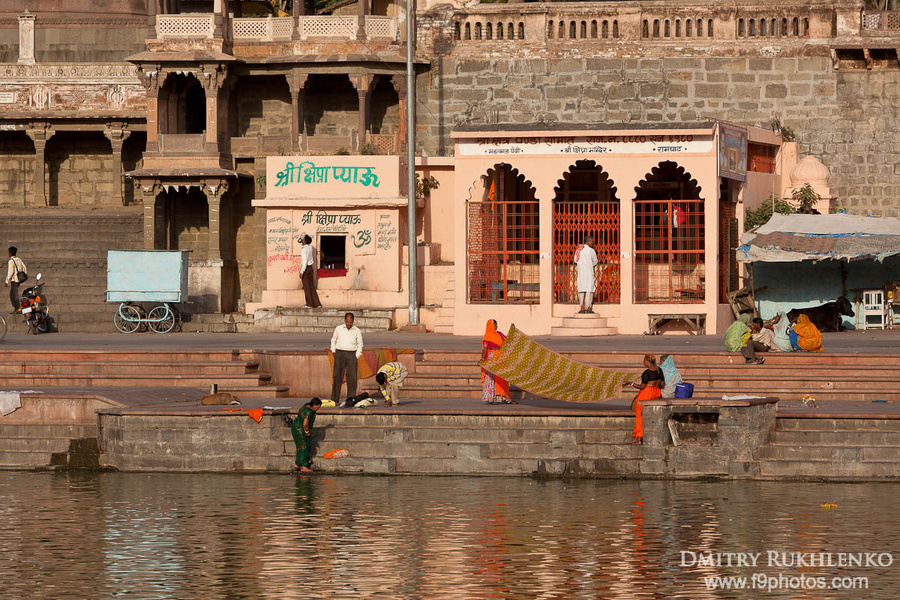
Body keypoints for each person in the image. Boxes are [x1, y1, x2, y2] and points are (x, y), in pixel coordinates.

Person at [629, 354, 664, 444]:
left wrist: (632, 383)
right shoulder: (659, 370)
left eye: (644, 360)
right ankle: (638, 437)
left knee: (640, 416)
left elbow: (642, 387)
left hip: (646, 394)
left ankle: (638, 438)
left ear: (648, 362)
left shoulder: (646, 373)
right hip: (656, 393)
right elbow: (662, 384)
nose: (643, 362)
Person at [330, 312, 363, 402]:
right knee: (337, 376)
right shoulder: (339, 328)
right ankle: (335, 400)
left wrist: (356, 356)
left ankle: (350, 400)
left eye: (350, 322)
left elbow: (360, 344)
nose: (349, 324)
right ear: (345, 320)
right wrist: (334, 351)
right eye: (347, 322)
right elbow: (333, 340)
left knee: (352, 378)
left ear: (353, 321)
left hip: (351, 354)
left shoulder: (357, 330)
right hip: (339, 353)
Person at [284, 398, 322, 473]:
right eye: (317, 407)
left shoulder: (306, 406)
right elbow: (305, 424)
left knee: (301, 446)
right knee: (304, 446)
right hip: (301, 429)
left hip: (296, 427)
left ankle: (299, 464)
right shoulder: (309, 411)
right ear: (314, 405)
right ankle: (303, 466)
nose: (317, 409)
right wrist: (307, 432)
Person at [481, 319, 514, 404]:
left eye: (496, 325)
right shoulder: (487, 336)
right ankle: (493, 399)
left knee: (502, 377)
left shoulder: (499, 334)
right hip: (492, 357)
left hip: (500, 357)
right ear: (491, 326)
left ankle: (505, 398)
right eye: (495, 325)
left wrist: (513, 332)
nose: (497, 326)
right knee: (492, 378)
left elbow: (508, 342)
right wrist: (482, 358)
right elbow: (485, 348)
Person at [574, 235, 599, 313]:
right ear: (588, 242)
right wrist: (590, 264)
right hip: (589, 273)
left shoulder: (578, 250)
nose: (593, 243)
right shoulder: (591, 251)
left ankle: (581, 308)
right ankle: (588, 308)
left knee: (581, 290)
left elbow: (575, 260)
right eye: (592, 241)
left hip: (581, 273)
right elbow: (595, 261)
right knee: (589, 290)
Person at [299, 235, 322, 308]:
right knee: (312, 286)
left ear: (305, 241)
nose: (302, 240)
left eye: (303, 239)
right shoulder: (310, 248)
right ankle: (316, 303)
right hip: (311, 268)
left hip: (306, 268)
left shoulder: (304, 249)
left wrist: (302, 271)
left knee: (307, 287)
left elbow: (305, 261)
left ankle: (309, 304)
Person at [4, 246, 26, 313]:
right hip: (19, 280)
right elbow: (24, 268)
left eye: (9, 252)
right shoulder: (19, 259)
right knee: (12, 294)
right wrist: (23, 275)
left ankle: (18, 309)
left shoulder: (11, 261)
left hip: (14, 280)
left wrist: (6, 281)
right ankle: (16, 308)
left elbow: (10, 272)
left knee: (14, 295)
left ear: (10, 253)